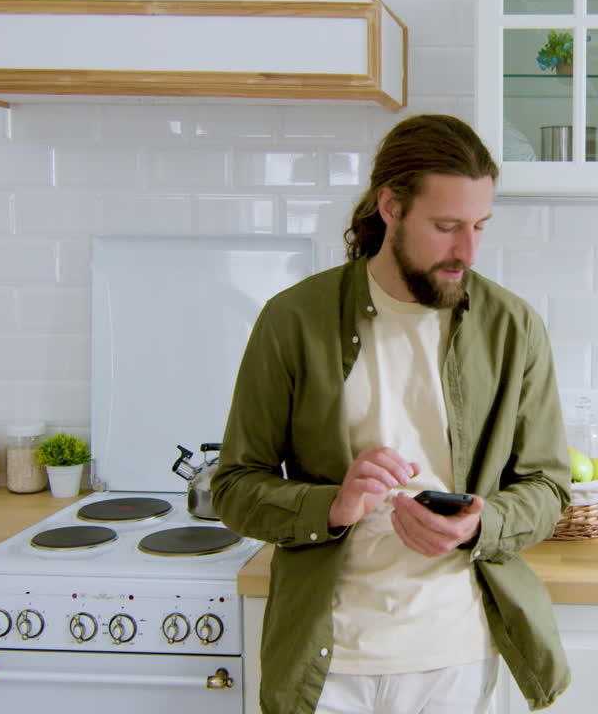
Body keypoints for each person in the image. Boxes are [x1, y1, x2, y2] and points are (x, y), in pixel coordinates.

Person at [212, 113, 572, 714]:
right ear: (390, 207)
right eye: (446, 226)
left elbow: (549, 487)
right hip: (327, 664)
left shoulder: (513, 327)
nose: (468, 250)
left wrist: (481, 523)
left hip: (454, 655)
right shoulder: (293, 319)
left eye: (480, 225)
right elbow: (233, 487)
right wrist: (331, 504)